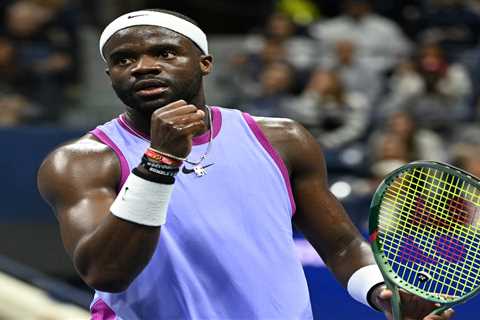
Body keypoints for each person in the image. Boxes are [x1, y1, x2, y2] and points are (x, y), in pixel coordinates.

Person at [37, 9, 455, 320]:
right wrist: (159, 163)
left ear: (204, 63)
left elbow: (342, 246)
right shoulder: (80, 162)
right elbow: (105, 273)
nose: (144, 65)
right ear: (110, 74)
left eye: (164, 52)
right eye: (124, 59)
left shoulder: (283, 139)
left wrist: (380, 290)